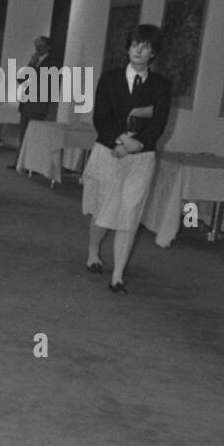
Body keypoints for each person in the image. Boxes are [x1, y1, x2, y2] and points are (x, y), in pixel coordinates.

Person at [83, 24, 171, 294]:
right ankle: (93, 250)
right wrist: (121, 140)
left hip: (141, 157)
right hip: (110, 152)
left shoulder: (161, 86)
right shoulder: (109, 79)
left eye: (144, 47)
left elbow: (159, 124)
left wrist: (136, 145)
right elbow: (101, 118)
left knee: (130, 212)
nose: (138, 50)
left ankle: (118, 275)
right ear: (128, 48)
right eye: (134, 44)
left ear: (153, 53)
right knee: (105, 211)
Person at [10, 35, 53, 168]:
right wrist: (30, 64)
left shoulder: (52, 62)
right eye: (36, 46)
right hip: (26, 104)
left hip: (38, 104)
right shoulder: (34, 62)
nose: (37, 49)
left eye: (40, 46)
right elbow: (21, 79)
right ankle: (19, 163)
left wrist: (32, 67)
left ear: (47, 47)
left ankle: (31, 165)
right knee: (22, 136)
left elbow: (41, 81)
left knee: (34, 137)